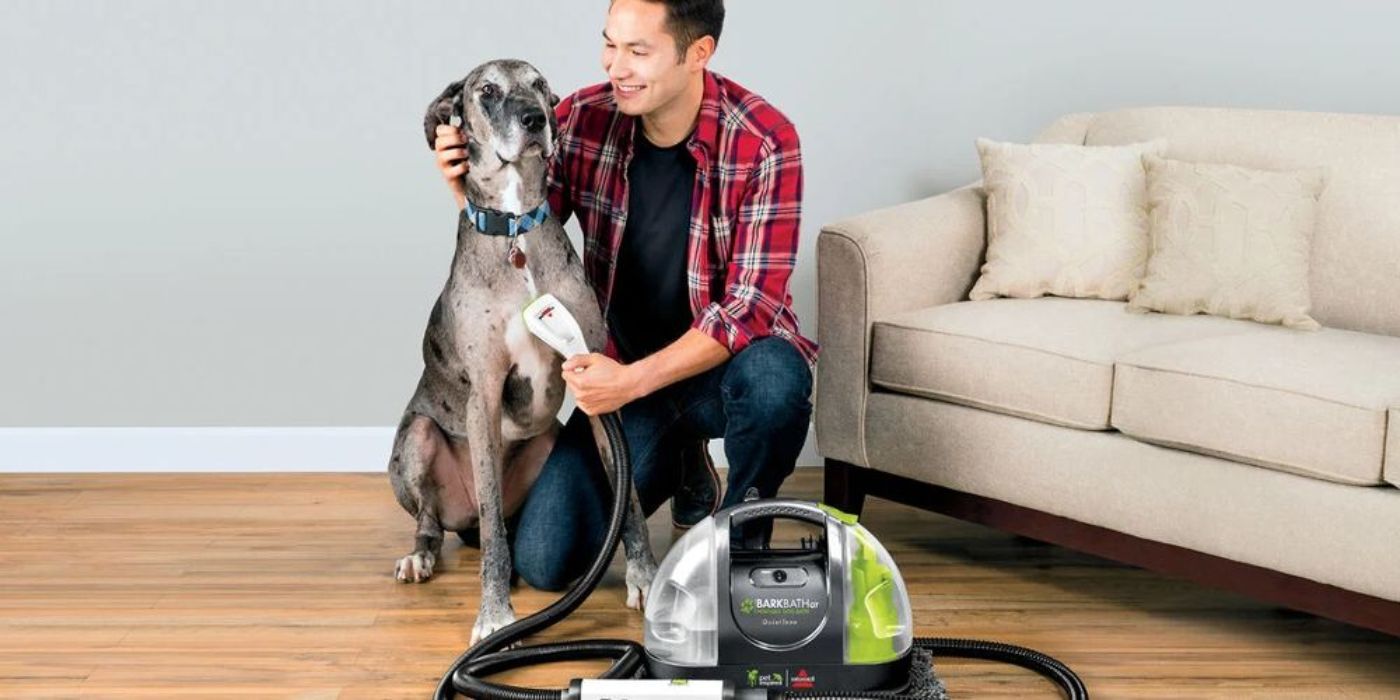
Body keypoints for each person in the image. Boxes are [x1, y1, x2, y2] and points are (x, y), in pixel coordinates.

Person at [431, 0, 816, 591]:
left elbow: (751, 307)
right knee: (544, 560)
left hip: (724, 370)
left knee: (777, 385)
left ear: (698, 54)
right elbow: (524, 243)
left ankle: (741, 546)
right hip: (629, 378)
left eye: (638, 51)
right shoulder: (582, 118)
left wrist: (630, 381)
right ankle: (687, 464)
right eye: (610, 45)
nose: (617, 67)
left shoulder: (764, 140)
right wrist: (465, 181)